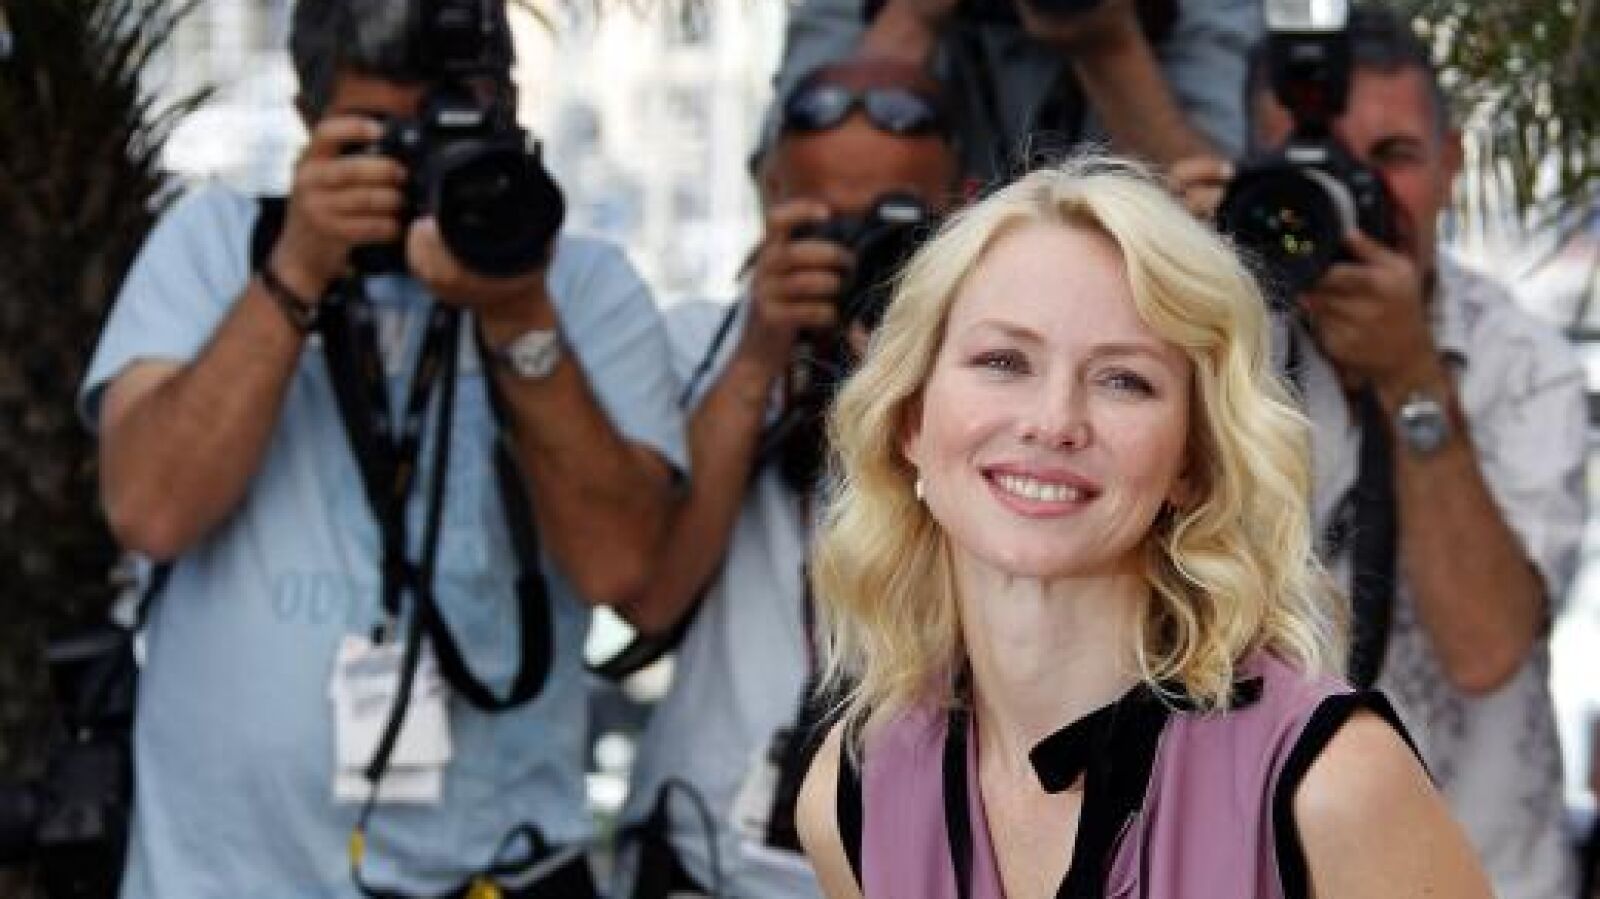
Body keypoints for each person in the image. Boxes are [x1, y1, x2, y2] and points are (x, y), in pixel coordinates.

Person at [79, 2, 686, 896]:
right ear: (310, 119)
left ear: (511, 109)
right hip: (226, 875)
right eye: (385, 138)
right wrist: (297, 270)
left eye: (458, 124)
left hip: (493, 870)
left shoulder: (583, 288)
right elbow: (148, 508)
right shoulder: (218, 246)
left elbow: (621, 564)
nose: (423, 163)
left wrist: (519, 316)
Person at [793, 157, 1492, 898]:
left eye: (1124, 379)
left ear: (1192, 460)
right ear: (910, 419)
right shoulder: (854, 794)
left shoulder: (1334, 783)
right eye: (1003, 361)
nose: (1054, 422)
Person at [1172, 9, 1588, 896]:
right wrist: (1161, 277)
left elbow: (1485, 649)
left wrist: (1411, 379)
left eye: (1391, 156)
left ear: (1451, 163)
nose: (1352, 193)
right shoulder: (1206, 341)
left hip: (1478, 870)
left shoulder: (1523, 363)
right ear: (1253, 167)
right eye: (1315, 164)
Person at [612, 57, 963, 899]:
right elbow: (650, 596)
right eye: (827, 224)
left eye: (892, 225)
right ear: (771, 200)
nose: (860, 256)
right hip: (701, 847)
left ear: (963, 209)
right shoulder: (706, 344)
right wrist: (760, 357)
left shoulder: (994, 377)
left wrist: (917, 368)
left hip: (911, 862)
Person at [770, 0, 1261, 182]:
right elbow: (785, 189)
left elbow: (1213, 210)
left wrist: (1110, 48)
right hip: (902, 295)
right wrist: (911, 19)